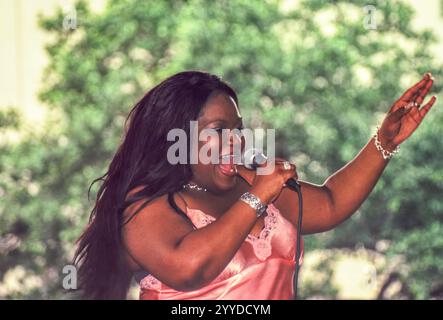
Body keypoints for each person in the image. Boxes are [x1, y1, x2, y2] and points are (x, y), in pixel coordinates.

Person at [73, 70, 436, 300]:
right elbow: (188, 267)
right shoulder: (146, 206)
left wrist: (384, 142)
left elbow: (330, 202)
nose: (237, 141)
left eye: (238, 129)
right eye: (219, 131)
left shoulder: (247, 181)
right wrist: (258, 196)